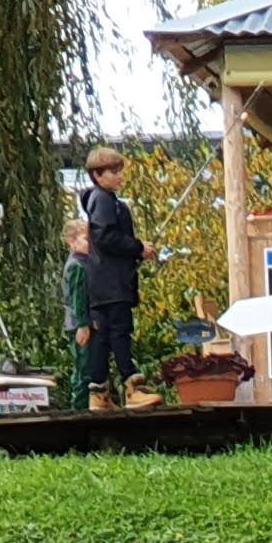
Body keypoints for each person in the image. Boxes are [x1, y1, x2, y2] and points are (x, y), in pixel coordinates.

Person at [78, 146, 155, 412]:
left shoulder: (105, 201)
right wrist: (137, 247)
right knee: (121, 333)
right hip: (112, 284)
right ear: (97, 175)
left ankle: (98, 393)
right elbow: (106, 237)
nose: (120, 176)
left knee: (103, 338)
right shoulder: (103, 200)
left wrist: (136, 250)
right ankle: (133, 387)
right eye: (114, 171)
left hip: (104, 283)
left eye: (120, 170)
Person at [62, 218, 95, 409]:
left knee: (90, 365)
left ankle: (89, 404)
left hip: (84, 322)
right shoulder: (76, 266)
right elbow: (77, 299)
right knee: (84, 368)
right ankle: (79, 407)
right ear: (72, 242)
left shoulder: (85, 262)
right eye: (85, 239)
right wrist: (83, 324)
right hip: (79, 324)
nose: (90, 243)